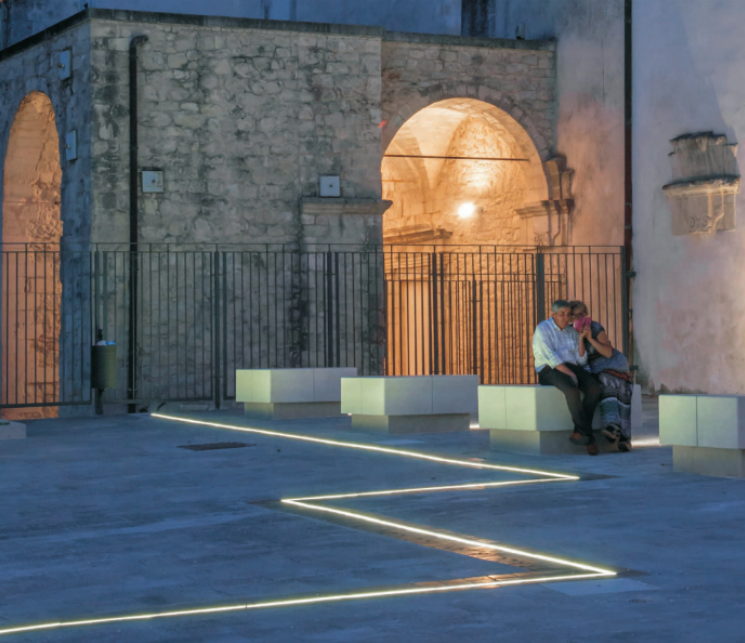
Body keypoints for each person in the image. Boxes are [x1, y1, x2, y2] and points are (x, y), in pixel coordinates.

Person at [532, 300, 603, 456]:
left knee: (595, 388)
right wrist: (570, 374)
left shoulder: (572, 331)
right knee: (571, 389)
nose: (566, 317)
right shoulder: (543, 329)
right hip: (548, 368)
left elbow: (581, 360)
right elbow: (550, 357)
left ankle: (579, 432)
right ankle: (589, 437)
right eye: (562, 314)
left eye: (568, 314)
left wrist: (581, 338)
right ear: (553, 315)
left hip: (571, 366)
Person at [569, 301, 633, 452]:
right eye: (576, 315)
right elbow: (580, 358)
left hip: (613, 363)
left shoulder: (596, 327)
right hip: (595, 368)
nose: (580, 318)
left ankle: (615, 429)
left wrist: (590, 338)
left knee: (608, 381)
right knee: (604, 382)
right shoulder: (570, 334)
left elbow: (608, 352)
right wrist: (580, 338)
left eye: (582, 314)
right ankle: (619, 433)